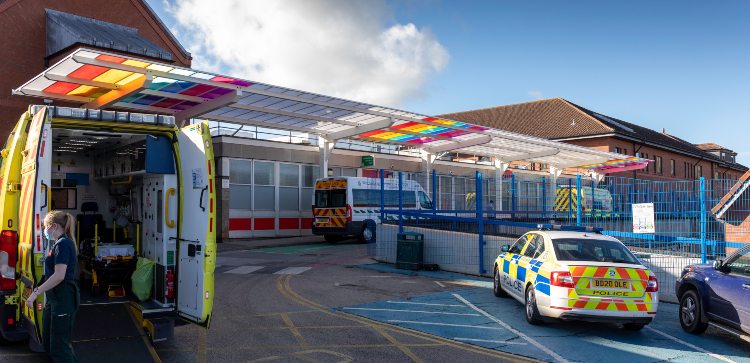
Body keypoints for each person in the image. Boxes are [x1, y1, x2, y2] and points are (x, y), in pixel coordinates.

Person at [26, 211, 80, 363]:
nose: (45, 231)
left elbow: (59, 275)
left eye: (45, 227)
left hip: (63, 298)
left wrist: (35, 293)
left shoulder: (63, 244)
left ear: (54, 226)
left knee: (60, 347)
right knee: (49, 342)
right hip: (54, 298)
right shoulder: (59, 243)